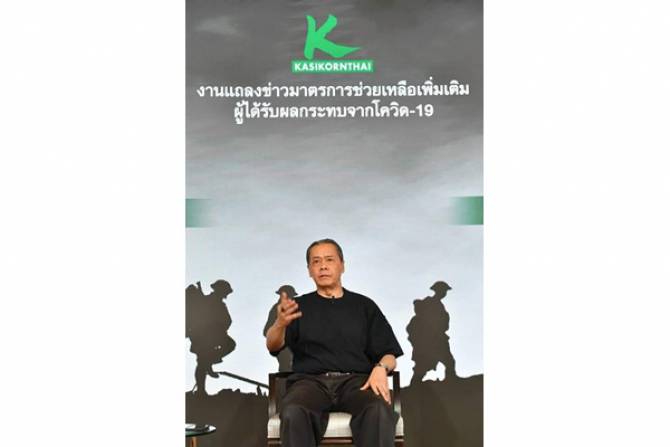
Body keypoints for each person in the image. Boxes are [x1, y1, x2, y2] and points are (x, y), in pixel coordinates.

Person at [265, 239, 403, 447]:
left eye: (329, 260)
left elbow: (389, 354)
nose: (323, 266)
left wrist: (381, 368)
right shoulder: (297, 307)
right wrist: (280, 324)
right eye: (316, 261)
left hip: (356, 382)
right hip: (310, 382)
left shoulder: (364, 306)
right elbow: (273, 345)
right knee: (294, 411)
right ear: (309, 270)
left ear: (342, 265)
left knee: (378, 409)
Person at [406, 281, 456, 385]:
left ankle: (451, 381)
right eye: (443, 290)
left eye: (445, 291)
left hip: (438, 339)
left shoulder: (438, 305)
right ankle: (414, 386)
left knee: (449, 362)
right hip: (430, 341)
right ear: (438, 290)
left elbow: (443, 323)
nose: (444, 293)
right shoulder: (429, 303)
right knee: (422, 366)